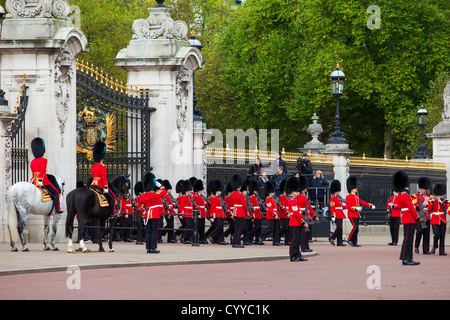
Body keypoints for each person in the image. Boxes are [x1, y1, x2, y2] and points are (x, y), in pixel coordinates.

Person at [393, 170, 424, 265]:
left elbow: (406, 206)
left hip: (406, 218)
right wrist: (418, 217)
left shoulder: (399, 196)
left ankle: (407, 258)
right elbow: (411, 208)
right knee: (408, 239)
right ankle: (406, 258)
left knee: (407, 239)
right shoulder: (405, 196)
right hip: (410, 218)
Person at [135, 172, 166, 254]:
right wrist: (160, 185)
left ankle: (148, 248)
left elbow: (141, 206)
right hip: (155, 214)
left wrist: (143, 215)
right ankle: (153, 248)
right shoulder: (154, 195)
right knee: (154, 231)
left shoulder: (143, 196)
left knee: (148, 231)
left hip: (147, 215)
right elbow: (164, 192)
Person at [30, 137, 62, 213]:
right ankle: (57, 209)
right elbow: (42, 170)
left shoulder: (33, 161)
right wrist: (40, 179)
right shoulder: (43, 160)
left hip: (33, 180)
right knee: (56, 193)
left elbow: (33, 171)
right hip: (43, 180)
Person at [345, 176, 375, 247]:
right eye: (355, 188)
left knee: (357, 229)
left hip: (356, 215)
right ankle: (349, 239)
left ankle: (354, 242)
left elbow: (362, 202)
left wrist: (370, 205)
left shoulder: (356, 197)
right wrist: (355, 208)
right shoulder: (348, 197)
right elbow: (348, 207)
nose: (356, 189)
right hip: (351, 214)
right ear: (352, 189)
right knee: (355, 227)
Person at [90, 141, 116, 218]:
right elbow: (104, 178)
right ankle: (112, 213)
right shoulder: (103, 166)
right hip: (100, 185)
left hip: (93, 184)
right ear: (102, 157)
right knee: (112, 197)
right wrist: (105, 187)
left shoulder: (93, 166)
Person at [285, 176, 308, 262]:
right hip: (295, 223)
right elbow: (295, 214)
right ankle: (292, 256)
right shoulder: (292, 200)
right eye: (296, 191)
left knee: (298, 241)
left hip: (297, 222)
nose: (297, 193)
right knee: (294, 240)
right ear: (293, 191)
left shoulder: (294, 200)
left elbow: (297, 212)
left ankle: (298, 255)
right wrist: (302, 222)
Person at [296, 175, 318, 252]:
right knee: (305, 233)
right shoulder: (304, 197)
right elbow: (309, 208)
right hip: (305, 216)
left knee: (304, 233)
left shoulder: (298, 197)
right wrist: (314, 215)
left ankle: (305, 246)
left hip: (302, 215)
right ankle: (304, 247)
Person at [412, 177, 432, 254]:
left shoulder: (429, 197)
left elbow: (431, 206)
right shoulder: (415, 196)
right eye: (423, 189)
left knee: (426, 234)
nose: (424, 190)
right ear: (420, 189)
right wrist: (422, 205)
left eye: (425, 189)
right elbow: (414, 206)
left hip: (427, 217)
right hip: (420, 217)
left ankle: (426, 250)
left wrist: (428, 204)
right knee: (419, 232)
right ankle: (416, 246)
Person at [428, 183, 449, 256]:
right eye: (439, 194)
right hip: (434, 219)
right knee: (436, 234)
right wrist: (432, 202)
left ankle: (442, 251)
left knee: (442, 236)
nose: (440, 196)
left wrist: (442, 203)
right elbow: (429, 209)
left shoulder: (445, 201)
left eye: (441, 194)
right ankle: (434, 246)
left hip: (442, 219)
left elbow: (447, 208)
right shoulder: (432, 200)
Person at [230, 174, 248, 248]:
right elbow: (244, 204)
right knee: (239, 228)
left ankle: (235, 242)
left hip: (235, 211)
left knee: (237, 227)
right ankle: (237, 243)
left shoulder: (233, 194)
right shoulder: (240, 194)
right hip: (240, 212)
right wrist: (246, 211)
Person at [261, 180, 282, 246]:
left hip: (275, 215)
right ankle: (261, 236)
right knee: (271, 228)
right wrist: (274, 214)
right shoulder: (268, 199)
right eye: (272, 192)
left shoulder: (273, 198)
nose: (274, 193)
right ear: (269, 192)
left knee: (276, 229)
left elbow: (275, 207)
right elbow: (270, 208)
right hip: (271, 216)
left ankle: (276, 241)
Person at [208, 179, 227, 245]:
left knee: (221, 227)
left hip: (220, 213)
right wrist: (212, 216)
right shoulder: (214, 198)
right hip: (217, 214)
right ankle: (211, 235)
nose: (220, 192)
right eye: (219, 191)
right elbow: (213, 208)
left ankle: (221, 240)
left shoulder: (219, 198)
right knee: (219, 225)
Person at [329, 179, 346, 246]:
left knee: (340, 228)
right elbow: (332, 207)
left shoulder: (339, 198)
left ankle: (339, 242)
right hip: (336, 214)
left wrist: (348, 206)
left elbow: (341, 207)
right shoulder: (332, 198)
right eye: (337, 191)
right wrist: (333, 215)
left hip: (340, 214)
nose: (338, 192)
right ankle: (332, 238)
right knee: (339, 227)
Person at [178, 179, 194, 244]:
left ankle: (188, 238)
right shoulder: (184, 197)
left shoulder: (189, 197)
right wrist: (181, 214)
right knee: (188, 225)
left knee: (190, 226)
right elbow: (181, 206)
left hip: (190, 214)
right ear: (186, 191)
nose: (190, 191)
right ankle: (183, 237)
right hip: (186, 214)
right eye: (189, 190)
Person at [248, 178, 264, 245]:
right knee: (256, 227)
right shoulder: (251, 197)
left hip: (258, 213)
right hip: (254, 213)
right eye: (255, 191)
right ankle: (249, 237)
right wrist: (252, 215)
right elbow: (251, 207)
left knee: (259, 227)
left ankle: (258, 239)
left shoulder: (257, 197)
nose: (257, 192)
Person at [192, 180, 207, 244]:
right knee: (199, 226)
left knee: (202, 227)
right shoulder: (197, 196)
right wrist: (199, 213)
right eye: (200, 190)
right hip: (200, 213)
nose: (201, 191)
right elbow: (197, 206)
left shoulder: (200, 196)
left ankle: (202, 238)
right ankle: (199, 239)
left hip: (203, 213)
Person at [277, 179, 290, 245]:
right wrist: (286, 212)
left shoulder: (288, 197)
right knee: (285, 227)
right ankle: (278, 237)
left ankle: (287, 241)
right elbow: (282, 206)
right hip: (283, 214)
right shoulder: (281, 197)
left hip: (288, 214)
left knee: (288, 228)